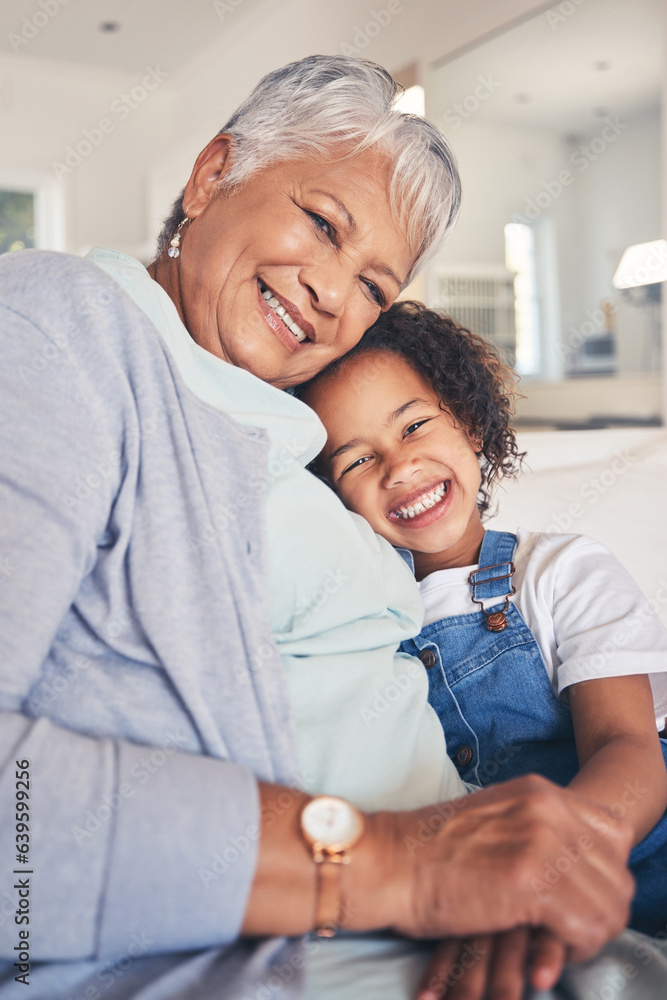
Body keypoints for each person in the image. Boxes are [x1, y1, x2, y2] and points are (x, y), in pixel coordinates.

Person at [0, 57, 634, 1000]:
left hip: (486, 928)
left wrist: (493, 883)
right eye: (322, 224)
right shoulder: (60, 323)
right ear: (212, 173)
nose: (336, 294)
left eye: (376, 286)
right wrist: (400, 864)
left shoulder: (282, 420)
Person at [299, 299, 667, 945]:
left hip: (634, 852)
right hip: (495, 901)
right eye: (356, 460)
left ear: (469, 423)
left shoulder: (558, 570)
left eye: (413, 426)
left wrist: (554, 872)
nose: (398, 466)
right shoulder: (354, 625)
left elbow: (625, 747)